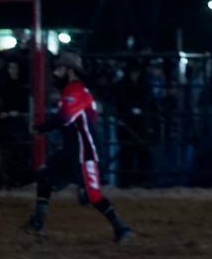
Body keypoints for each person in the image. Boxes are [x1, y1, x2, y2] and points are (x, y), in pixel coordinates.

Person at [23, 52, 135, 243]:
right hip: (73, 150)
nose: (56, 73)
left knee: (94, 195)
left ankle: (121, 227)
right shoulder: (73, 91)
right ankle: (38, 221)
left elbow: (65, 117)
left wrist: (40, 128)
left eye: (59, 68)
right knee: (45, 176)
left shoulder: (76, 91)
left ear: (70, 71)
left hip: (84, 152)